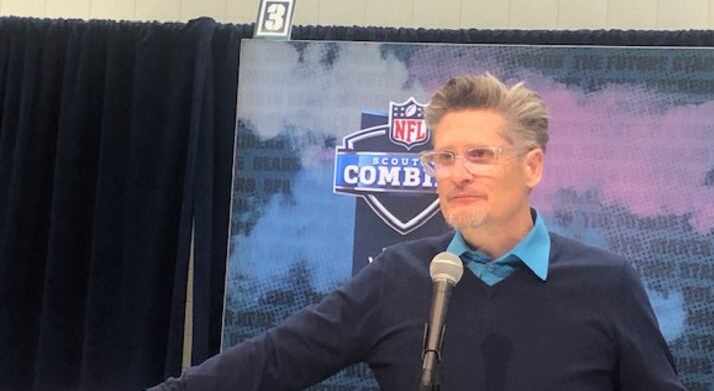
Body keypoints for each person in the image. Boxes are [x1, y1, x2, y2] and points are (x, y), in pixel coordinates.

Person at [149, 73, 685, 390]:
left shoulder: (606, 285)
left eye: (480, 155)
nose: (458, 173)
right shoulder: (400, 278)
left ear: (533, 166)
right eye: (444, 157)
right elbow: (270, 362)